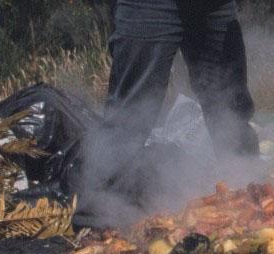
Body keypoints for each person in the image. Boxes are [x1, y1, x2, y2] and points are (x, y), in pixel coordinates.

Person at [103, 0, 259, 160]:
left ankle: (243, 178)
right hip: (148, 6)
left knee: (232, 115)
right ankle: (113, 182)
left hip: (215, 6)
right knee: (128, 124)